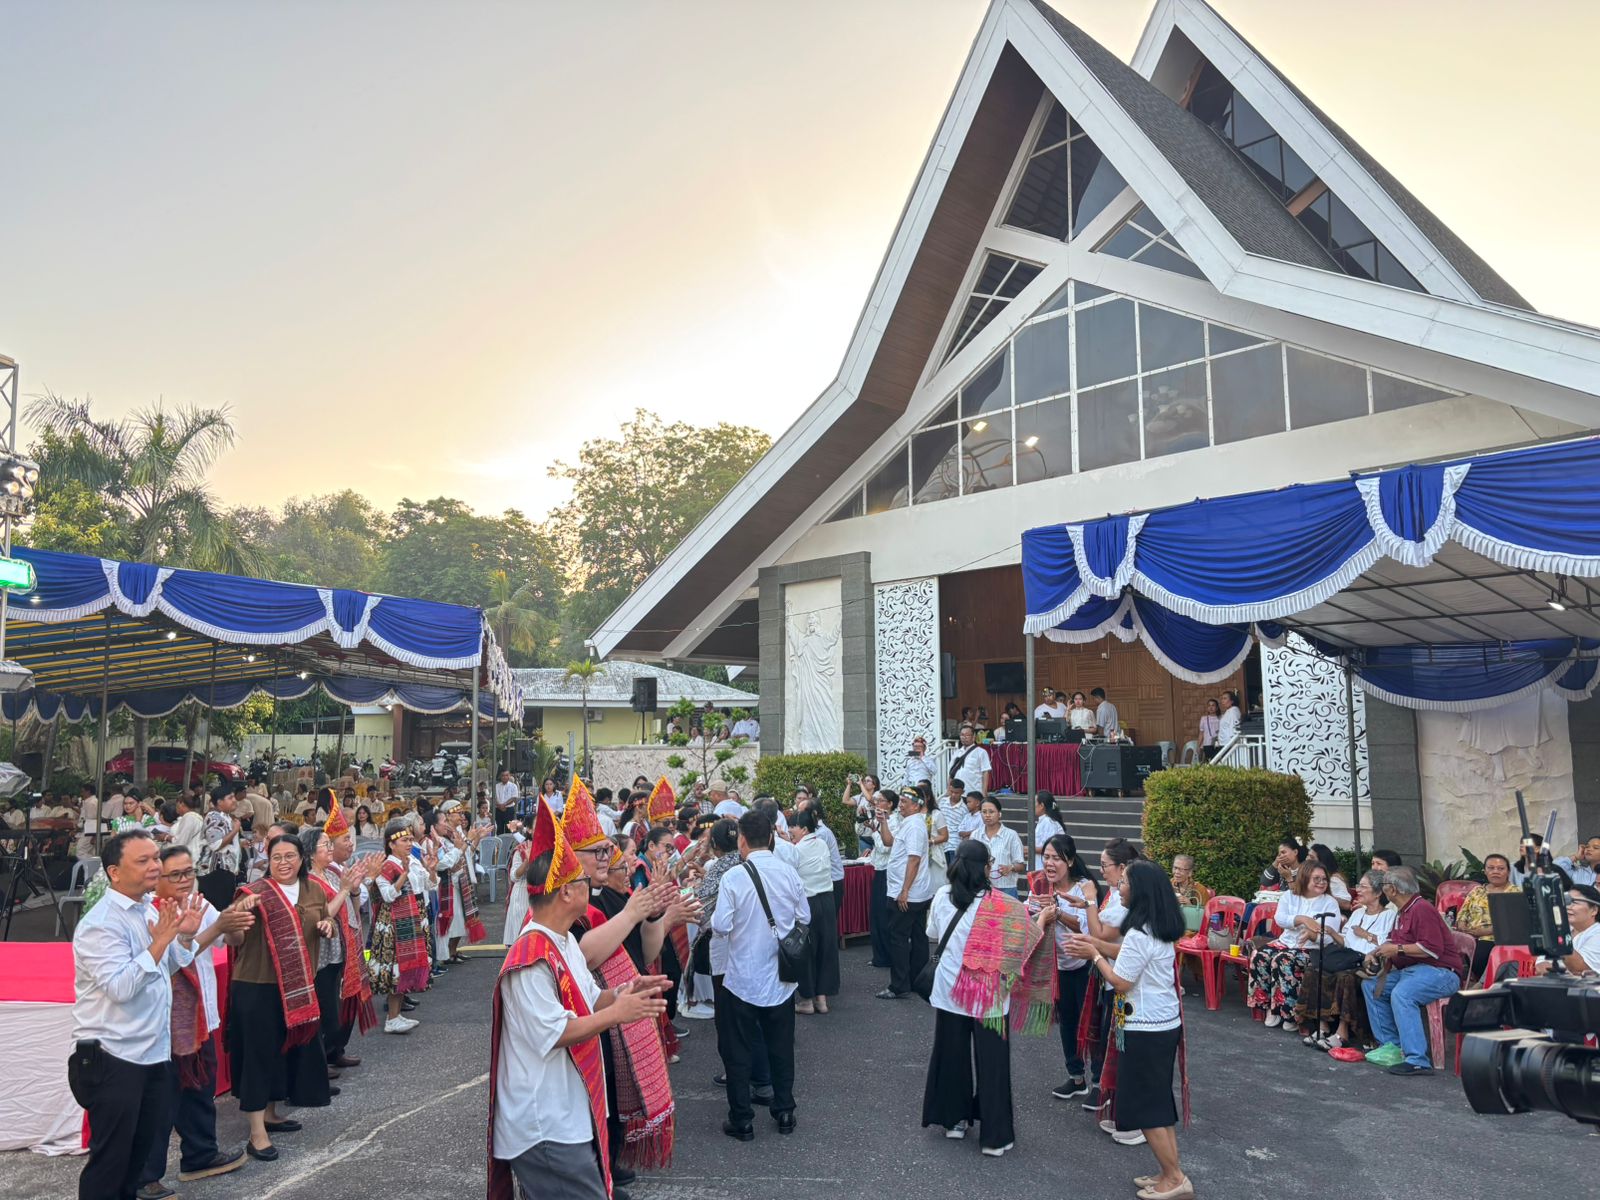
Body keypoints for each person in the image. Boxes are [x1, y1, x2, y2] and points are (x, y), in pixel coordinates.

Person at [488, 799, 668, 1200]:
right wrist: (617, 1013)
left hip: (566, 1114)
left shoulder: (564, 941)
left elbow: (591, 998)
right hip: (543, 1124)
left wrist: (623, 993)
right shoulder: (530, 957)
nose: (593, 884)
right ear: (566, 891)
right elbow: (556, 1033)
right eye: (584, 880)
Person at [69, 830, 207, 1200]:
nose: (155, 866)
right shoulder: (101, 923)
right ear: (114, 872)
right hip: (114, 1055)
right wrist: (160, 941)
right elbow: (120, 987)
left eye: (155, 858)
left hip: (152, 1052)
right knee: (110, 1162)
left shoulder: (148, 907)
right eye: (143, 860)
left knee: (137, 1158)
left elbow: (169, 966)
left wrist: (184, 937)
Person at [1066, 860, 1192, 1200]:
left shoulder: (1139, 932)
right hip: (1162, 1025)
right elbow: (1125, 952)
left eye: (1123, 882)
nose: (1118, 888)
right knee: (1158, 1103)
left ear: (1139, 892)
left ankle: (1175, 1178)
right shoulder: (1156, 927)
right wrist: (1095, 945)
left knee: (1146, 1107)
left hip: (1145, 1029)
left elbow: (1121, 981)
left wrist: (1093, 955)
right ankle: (1169, 1172)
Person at [137, 845, 254, 1196]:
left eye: (189, 872)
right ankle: (145, 1176)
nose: (185, 880)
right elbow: (174, 959)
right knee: (162, 1100)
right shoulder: (149, 914)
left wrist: (235, 921)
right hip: (167, 1022)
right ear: (156, 879)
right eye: (175, 874)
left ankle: (200, 1155)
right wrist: (217, 925)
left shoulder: (200, 904)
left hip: (201, 1015)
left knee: (200, 1088)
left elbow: (231, 939)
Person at [920, 839, 1041, 1156]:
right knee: (993, 1064)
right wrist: (1041, 921)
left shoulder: (943, 896)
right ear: (985, 868)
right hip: (990, 995)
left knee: (951, 1056)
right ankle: (995, 1137)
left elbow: (933, 934)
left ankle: (954, 1121)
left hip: (950, 990)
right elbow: (1022, 946)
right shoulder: (1003, 905)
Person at [223, 833, 334, 1162]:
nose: (283, 862)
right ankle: (256, 1133)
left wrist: (327, 924)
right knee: (258, 1056)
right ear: (268, 861)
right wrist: (235, 918)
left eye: (290, 856)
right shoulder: (253, 893)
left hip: (297, 985)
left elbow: (325, 917)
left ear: (302, 859)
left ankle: (271, 1114)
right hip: (258, 985)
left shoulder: (313, 889)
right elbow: (233, 939)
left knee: (280, 1053)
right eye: (276, 857)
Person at [712, 807, 808, 1140]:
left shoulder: (733, 877)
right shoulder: (788, 872)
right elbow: (804, 916)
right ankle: (785, 1111)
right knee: (781, 1048)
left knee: (738, 1052)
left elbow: (721, 926)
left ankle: (742, 1119)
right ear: (770, 837)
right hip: (781, 977)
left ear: (741, 840)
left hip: (742, 978)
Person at [1361, 866, 1465, 1075]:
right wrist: (1376, 951)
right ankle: (1392, 1047)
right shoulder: (1403, 911)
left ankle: (1417, 1059)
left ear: (1393, 889)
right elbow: (1394, 940)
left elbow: (1432, 949)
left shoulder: (1421, 908)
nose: (1383, 889)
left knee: (1403, 994)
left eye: (1384, 885)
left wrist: (1396, 949)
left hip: (1442, 972)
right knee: (1371, 986)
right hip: (1416, 970)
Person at [301, 821, 376, 1080]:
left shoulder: (331, 874)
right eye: (325, 845)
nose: (330, 848)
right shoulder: (308, 882)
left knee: (337, 1004)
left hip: (339, 947)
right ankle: (319, 1062)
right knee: (326, 1010)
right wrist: (345, 889)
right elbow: (326, 913)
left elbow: (352, 909)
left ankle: (333, 1053)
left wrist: (353, 889)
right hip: (322, 952)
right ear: (311, 853)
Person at [1027, 833, 1098, 1102]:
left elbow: (1087, 926)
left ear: (1069, 861)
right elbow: (1029, 920)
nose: (1049, 863)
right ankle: (1076, 1077)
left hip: (1084, 965)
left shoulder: (1084, 888)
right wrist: (1037, 913)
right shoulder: (1039, 886)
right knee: (1067, 1023)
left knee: (1090, 1023)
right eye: (1046, 857)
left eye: (1056, 858)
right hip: (1056, 968)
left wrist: (1058, 913)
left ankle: (1099, 1082)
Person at [1298, 870, 1395, 1051]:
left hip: (1368, 963)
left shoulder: (1389, 916)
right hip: (1348, 957)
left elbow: (1387, 944)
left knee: (1345, 977)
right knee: (1315, 971)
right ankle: (1322, 1027)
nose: (1358, 890)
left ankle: (1342, 1033)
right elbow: (1346, 941)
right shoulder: (1358, 914)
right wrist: (1332, 932)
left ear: (1377, 892)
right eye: (1358, 885)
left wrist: (1365, 934)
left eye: (1363, 886)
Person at [1248, 858, 1342, 1032]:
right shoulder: (1290, 896)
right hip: (1286, 942)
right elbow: (1280, 919)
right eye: (1316, 879)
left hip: (1312, 948)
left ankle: (1290, 1014)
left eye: (1324, 879)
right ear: (1304, 878)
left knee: (1283, 960)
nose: (1321, 882)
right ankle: (1269, 1007)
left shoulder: (1329, 902)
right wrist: (1301, 919)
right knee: (1259, 955)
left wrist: (1313, 935)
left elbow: (1329, 936)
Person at [370, 819, 432, 1033]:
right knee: (397, 968)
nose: (409, 843)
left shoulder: (412, 860)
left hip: (413, 915)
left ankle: (396, 1015)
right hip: (396, 922)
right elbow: (388, 895)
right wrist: (402, 876)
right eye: (404, 840)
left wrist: (431, 870)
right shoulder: (387, 866)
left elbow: (428, 884)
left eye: (410, 839)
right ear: (391, 844)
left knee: (405, 967)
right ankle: (392, 1018)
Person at [877, 787, 937, 1000]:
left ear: (916, 805)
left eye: (904, 802)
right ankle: (916, 980)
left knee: (899, 939)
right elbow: (889, 842)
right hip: (913, 892)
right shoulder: (909, 822)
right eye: (900, 801)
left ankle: (899, 985)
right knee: (918, 937)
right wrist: (883, 823)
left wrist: (904, 891)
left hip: (908, 894)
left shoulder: (915, 826)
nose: (900, 805)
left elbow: (914, 859)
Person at [789, 806, 839, 1015]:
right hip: (827, 900)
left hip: (807, 902)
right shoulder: (822, 844)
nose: (789, 830)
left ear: (804, 829)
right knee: (826, 949)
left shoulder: (796, 850)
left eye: (793, 826)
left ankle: (807, 1000)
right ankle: (822, 999)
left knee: (806, 950)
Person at [1455, 853, 1520, 979]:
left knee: (1481, 952)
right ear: (1485, 871)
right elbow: (1463, 913)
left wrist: (1487, 931)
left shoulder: (1515, 893)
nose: (1495, 871)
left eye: (1500, 868)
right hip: (1470, 936)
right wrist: (1462, 925)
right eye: (1491, 868)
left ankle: (1485, 984)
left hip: (1496, 939)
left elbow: (1516, 922)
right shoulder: (1477, 891)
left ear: (1508, 872)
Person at [860, 787, 898, 970]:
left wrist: (876, 831)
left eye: (881, 800)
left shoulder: (895, 822)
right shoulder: (880, 819)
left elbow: (886, 847)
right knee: (876, 914)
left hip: (888, 871)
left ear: (890, 804)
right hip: (879, 868)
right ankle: (879, 956)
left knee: (884, 916)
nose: (877, 803)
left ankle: (888, 956)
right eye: (876, 800)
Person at [1533, 883, 1600, 975]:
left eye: (1574, 902)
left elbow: (1580, 969)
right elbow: (1540, 964)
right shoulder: (1565, 929)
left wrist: (1560, 933)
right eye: (1566, 902)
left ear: (1594, 910)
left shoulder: (1597, 934)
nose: (1567, 907)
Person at [198, 788, 243, 910]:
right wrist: (235, 829)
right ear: (219, 802)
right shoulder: (214, 817)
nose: (234, 800)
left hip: (225, 872)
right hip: (215, 873)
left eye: (234, 797)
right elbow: (216, 845)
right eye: (230, 798)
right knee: (216, 910)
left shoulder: (226, 817)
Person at [973, 796, 1024, 896]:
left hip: (1006, 889)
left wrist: (1010, 867)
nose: (987, 815)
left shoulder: (1011, 835)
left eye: (991, 812)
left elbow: (1021, 865)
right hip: (981, 888)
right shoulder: (975, 835)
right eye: (984, 812)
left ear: (999, 814)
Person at [1169, 855, 1211, 933]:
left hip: (1190, 930)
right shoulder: (1167, 885)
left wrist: (1190, 905)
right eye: (1175, 868)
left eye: (1181, 869)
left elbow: (1206, 918)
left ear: (1190, 873)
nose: (1176, 872)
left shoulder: (1200, 889)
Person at [949, 723, 991, 798]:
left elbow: (985, 772)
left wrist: (984, 791)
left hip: (974, 792)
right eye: (962, 735)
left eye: (967, 735)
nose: (964, 737)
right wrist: (948, 789)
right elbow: (951, 772)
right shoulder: (956, 753)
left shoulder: (981, 752)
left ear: (973, 736)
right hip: (958, 794)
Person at [168, 792, 204, 862]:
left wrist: (166, 837)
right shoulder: (193, 817)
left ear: (181, 803)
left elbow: (181, 842)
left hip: (188, 857)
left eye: (177, 805)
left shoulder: (190, 817)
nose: (176, 809)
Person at [1033, 792, 1064, 872]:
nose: (1032, 806)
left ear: (1041, 805)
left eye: (1034, 803)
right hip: (1040, 865)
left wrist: (1030, 849)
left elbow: (1049, 847)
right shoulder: (1044, 820)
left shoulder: (1048, 821)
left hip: (1045, 867)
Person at [494, 770, 520, 834]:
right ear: (500, 777)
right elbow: (493, 797)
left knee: (509, 829)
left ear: (509, 776)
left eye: (506, 775)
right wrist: (499, 806)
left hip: (509, 810)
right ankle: (500, 841)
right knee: (499, 829)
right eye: (503, 775)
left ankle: (509, 841)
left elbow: (514, 797)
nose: (504, 777)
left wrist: (504, 805)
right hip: (498, 810)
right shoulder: (496, 786)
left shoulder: (513, 786)